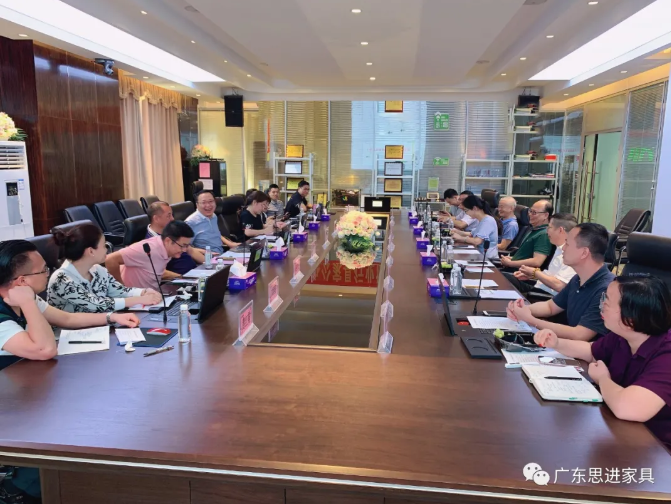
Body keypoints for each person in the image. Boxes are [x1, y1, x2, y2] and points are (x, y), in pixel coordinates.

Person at [534, 274, 671, 450]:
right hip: (620, 430)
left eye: (608, 301)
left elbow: (628, 408)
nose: (603, 303)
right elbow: (591, 351)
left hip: (656, 450)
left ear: (630, 318)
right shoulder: (623, 335)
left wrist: (603, 379)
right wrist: (556, 343)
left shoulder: (666, 354)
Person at [0, 240, 139, 364]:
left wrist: (112, 317)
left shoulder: (26, 296)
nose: (48, 274)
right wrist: (27, 303)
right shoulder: (15, 307)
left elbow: (67, 318)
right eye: (44, 270)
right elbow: (46, 350)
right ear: (22, 281)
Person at [507, 223, 615, 341]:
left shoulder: (607, 289)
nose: (563, 248)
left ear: (584, 253)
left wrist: (530, 320)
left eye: (567, 244)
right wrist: (522, 309)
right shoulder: (578, 278)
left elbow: (579, 334)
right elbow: (550, 307)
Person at [47, 223, 162, 313]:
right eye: (103, 245)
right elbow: (96, 304)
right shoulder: (61, 279)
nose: (107, 249)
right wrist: (139, 299)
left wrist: (144, 292)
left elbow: (120, 291)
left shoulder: (98, 270)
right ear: (91, 251)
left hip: (99, 328)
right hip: (68, 334)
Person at [105, 221, 195, 289]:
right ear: (168, 240)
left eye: (187, 246)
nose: (184, 250)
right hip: (134, 299)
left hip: (151, 296)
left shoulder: (167, 248)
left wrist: (183, 278)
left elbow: (155, 270)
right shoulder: (146, 249)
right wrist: (120, 287)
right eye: (182, 246)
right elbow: (110, 259)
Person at [504, 213, 577, 297]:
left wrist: (535, 273)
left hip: (545, 296)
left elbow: (559, 285)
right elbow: (552, 276)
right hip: (539, 286)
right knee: (505, 277)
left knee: (505, 279)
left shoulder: (572, 254)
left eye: (549, 227)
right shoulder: (558, 248)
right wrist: (532, 276)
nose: (547, 231)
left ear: (560, 230)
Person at [146, 201, 204, 275]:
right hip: (181, 278)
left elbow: (190, 250)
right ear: (156, 218)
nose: (172, 219)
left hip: (194, 272)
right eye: (168, 216)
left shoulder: (171, 230)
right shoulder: (150, 243)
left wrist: (211, 265)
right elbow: (160, 272)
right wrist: (183, 277)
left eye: (172, 215)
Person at [499, 199, 553, 269]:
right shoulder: (535, 230)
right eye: (530, 211)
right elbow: (526, 256)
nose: (530, 214)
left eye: (534, 212)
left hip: (518, 272)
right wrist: (513, 258)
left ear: (546, 215)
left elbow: (537, 262)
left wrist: (511, 263)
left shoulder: (544, 234)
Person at [451, 195, 499, 260]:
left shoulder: (488, 221)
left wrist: (460, 238)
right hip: (479, 254)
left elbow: (477, 241)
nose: (466, 214)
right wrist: (457, 232)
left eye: (466, 211)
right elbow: (472, 233)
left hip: (487, 259)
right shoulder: (481, 220)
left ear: (475, 208)